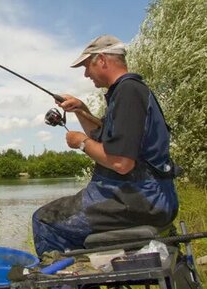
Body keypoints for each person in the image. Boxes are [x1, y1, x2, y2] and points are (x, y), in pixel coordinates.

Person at [32, 35, 180, 256]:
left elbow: (121, 162)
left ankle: (66, 280)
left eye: (86, 66)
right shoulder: (129, 91)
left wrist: (81, 142)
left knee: (45, 220)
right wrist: (81, 110)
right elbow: (106, 139)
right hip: (149, 197)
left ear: (101, 60)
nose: (85, 74)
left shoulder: (128, 92)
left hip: (135, 200)